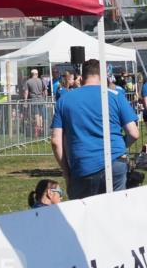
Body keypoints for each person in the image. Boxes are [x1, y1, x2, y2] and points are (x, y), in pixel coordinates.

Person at [51, 59, 139, 199]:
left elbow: (56, 141)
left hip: (83, 165)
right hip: (115, 161)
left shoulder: (64, 99)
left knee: (84, 215)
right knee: (115, 211)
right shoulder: (116, 96)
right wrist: (118, 147)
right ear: (102, 76)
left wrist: (66, 172)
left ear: (82, 77)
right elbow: (134, 133)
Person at [23, 68, 47, 137]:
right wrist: (45, 98)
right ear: (37, 74)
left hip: (34, 100)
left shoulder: (28, 81)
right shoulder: (41, 80)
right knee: (41, 115)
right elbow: (45, 90)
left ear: (31, 74)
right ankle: (41, 129)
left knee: (36, 115)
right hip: (41, 100)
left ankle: (38, 130)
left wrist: (25, 101)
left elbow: (26, 92)